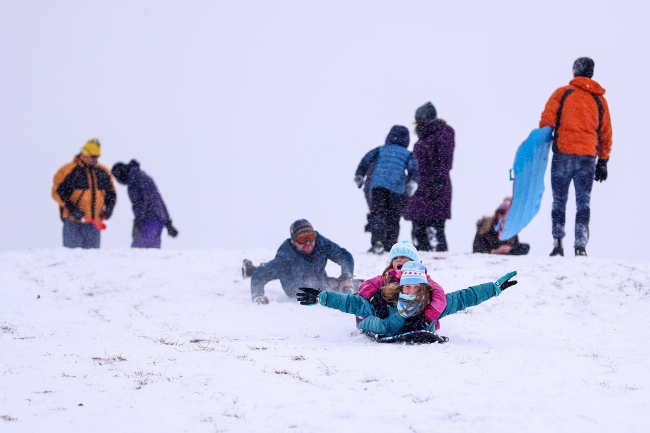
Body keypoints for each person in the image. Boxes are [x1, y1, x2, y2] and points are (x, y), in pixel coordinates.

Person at [297, 262, 518, 337]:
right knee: (365, 317)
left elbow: (463, 298)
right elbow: (351, 303)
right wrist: (321, 297)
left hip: (413, 328)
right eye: (407, 286)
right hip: (374, 325)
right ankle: (364, 326)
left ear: (423, 288)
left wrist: (494, 288)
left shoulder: (430, 306)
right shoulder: (387, 301)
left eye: (416, 287)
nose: (411, 291)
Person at [540, 57, 613, 257]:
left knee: (559, 201)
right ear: (591, 73)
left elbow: (547, 122)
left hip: (563, 153)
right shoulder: (599, 100)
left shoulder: (562, 93)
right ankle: (580, 245)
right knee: (583, 202)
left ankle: (558, 243)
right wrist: (603, 161)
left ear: (574, 71)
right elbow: (606, 133)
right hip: (587, 157)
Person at [242, 219, 357, 304]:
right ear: (293, 241)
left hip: (322, 283)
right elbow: (261, 274)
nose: (308, 242)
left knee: (352, 286)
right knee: (269, 270)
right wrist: (258, 294)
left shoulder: (320, 243)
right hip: (297, 289)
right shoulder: (285, 257)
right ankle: (251, 269)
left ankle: (251, 269)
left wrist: (346, 277)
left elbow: (343, 255)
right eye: (302, 239)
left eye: (310, 237)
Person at [354, 125, 420, 254]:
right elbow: (414, 170)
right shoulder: (408, 154)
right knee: (393, 217)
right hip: (397, 189)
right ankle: (391, 244)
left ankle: (378, 243)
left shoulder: (380, 150)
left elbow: (365, 161)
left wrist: (359, 175)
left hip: (378, 186)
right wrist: (413, 183)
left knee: (378, 214)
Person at [357, 241, 446, 331]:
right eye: (395, 258)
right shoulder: (387, 278)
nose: (398, 260)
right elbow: (365, 286)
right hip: (393, 318)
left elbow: (440, 297)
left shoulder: (423, 279)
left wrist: (426, 318)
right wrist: (374, 297)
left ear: (413, 261)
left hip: (419, 319)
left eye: (403, 257)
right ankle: (365, 319)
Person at [404, 102, 455, 252]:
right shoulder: (425, 137)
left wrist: (438, 183)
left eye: (419, 120)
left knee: (434, 229)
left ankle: (439, 264)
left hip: (433, 187)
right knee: (418, 231)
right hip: (421, 189)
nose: (416, 124)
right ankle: (419, 265)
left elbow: (444, 162)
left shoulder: (443, 133)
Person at [52, 138, 116, 249]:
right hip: (73, 224)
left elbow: (111, 194)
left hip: (94, 225)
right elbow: (57, 192)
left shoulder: (103, 172)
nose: (95, 159)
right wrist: (72, 209)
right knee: (73, 260)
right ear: (85, 154)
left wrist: (109, 208)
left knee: (92, 262)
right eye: (93, 156)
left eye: (97, 156)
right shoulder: (69, 171)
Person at [111, 160, 179, 248]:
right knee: (151, 254)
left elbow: (140, 201)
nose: (118, 181)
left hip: (148, 218)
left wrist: (138, 221)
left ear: (121, 173)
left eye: (117, 177)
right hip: (159, 219)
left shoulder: (134, 179)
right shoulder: (142, 176)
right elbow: (158, 199)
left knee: (138, 251)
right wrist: (168, 222)